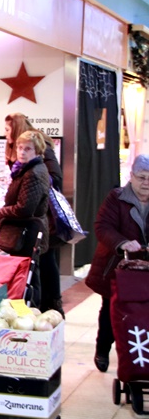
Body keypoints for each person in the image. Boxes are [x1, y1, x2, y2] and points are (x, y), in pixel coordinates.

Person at [85, 154, 149, 372]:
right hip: (117, 267)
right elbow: (102, 226)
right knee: (110, 311)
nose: (146, 182)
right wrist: (122, 243)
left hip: (146, 269)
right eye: (141, 177)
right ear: (131, 176)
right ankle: (103, 350)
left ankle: (141, 358)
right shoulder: (117, 197)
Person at [4, 113, 63, 312]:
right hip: (34, 221)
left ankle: (47, 307)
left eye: (7, 129)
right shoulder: (26, 162)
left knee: (39, 266)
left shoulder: (36, 166)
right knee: (35, 267)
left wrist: (33, 187)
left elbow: (55, 178)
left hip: (40, 220)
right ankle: (40, 308)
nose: (5, 135)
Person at [0, 130, 51, 258]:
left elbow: (24, 209)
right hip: (27, 233)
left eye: (28, 149)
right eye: (20, 148)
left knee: (27, 273)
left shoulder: (32, 173)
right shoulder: (25, 169)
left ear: (37, 150)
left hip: (27, 235)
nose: (22, 152)